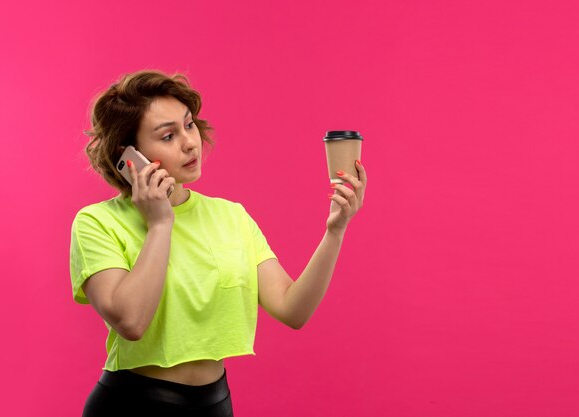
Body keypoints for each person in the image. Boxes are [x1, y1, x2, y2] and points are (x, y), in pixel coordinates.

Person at [70, 70, 367, 416]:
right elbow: (131, 322)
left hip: (214, 404)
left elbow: (293, 309)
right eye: (168, 136)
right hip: (133, 404)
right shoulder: (96, 222)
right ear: (129, 156)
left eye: (189, 124)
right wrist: (161, 223)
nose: (190, 142)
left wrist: (336, 230)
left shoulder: (232, 216)